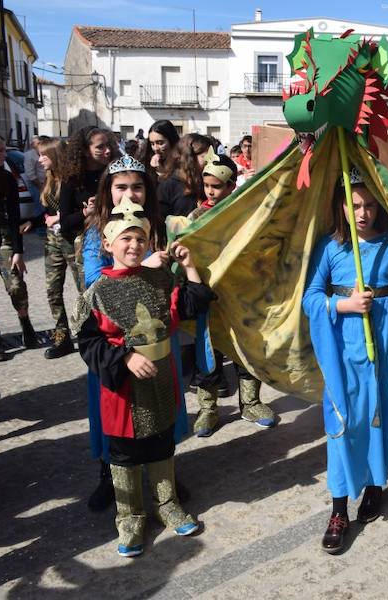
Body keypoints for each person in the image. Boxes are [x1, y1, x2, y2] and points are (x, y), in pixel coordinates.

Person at [302, 166, 388, 554]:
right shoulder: (331, 247)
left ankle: (376, 486)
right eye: (354, 205)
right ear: (340, 205)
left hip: (387, 337)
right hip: (344, 341)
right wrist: (342, 303)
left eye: (370, 206)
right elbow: (310, 297)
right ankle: (338, 508)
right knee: (344, 420)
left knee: (382, 411)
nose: (363, 213)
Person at [76, 199, 215, 557]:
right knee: (124, 454)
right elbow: (90, 344)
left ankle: (165, 503)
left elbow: (194, 303)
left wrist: (189, 266)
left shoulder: (159, 279)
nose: (134, 245)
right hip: (123, 391)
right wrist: (124, 357)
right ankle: (130, 516)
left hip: (160, 382)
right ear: (108, 245)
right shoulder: (96, 294)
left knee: (161, 445)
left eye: (140, 238)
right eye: (125, 238)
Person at [188, 149, 277, 436]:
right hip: (208, 298)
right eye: (207, 185)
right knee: (208, 352)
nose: (211, 192)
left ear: (230, 186)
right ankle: (208, 409)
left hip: (242, 297)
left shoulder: (246, 215)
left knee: (246, 348)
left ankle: (250, 402)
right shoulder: (196, 216)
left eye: (218, 186)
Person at [38, 137, 83, 359]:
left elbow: (76, 211)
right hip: (52, 241)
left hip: (72, 240)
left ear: (54, 156)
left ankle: (88, 332)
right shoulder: (48, 179)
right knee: (52, 289)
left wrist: (59, 217)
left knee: (83, 289)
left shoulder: (71, 180)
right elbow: (45, 210)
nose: (39, 160)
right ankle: (62, 336)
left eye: (43, 155)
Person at [0, 132, 35, 359]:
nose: (3, 153)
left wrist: (18, 250)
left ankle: (25, 323)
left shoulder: (6, 178)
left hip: (4, 237)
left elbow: (15, 214)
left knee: (15, 284)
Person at [58, 126, 118, 245]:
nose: (108, 151)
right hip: (87, 243)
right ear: (85, 151)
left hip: (116, 237)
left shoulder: (115, 173)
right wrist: (86, 211)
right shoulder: (72, 179)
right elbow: (65, 223)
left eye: (108, 145)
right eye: (100, 147)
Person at [157, 133, 211, 218]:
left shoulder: (205, 181)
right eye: (205, 156)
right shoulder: (168, 186)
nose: (209, 160)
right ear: (191, 157)